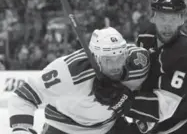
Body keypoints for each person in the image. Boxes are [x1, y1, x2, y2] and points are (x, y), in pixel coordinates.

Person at [8, 27, 150, 134]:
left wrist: (137, 109)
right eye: (108, 60)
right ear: (95, 58)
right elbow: (23, 97)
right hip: (65, 128)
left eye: (120, 57)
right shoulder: (67, 71)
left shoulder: (138, 62)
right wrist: (22, 129)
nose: (116, 66)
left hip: (109, 126)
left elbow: (154, 89)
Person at [110, 0, 187, 134]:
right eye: (162, 18)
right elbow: (140, 81)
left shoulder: (185, 53)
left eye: (173, 19)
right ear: (153, 18)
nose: (167, 25)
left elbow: (163, 108)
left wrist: (118, 99)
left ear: (181, 20)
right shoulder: (145, 36)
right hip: (154, 128)